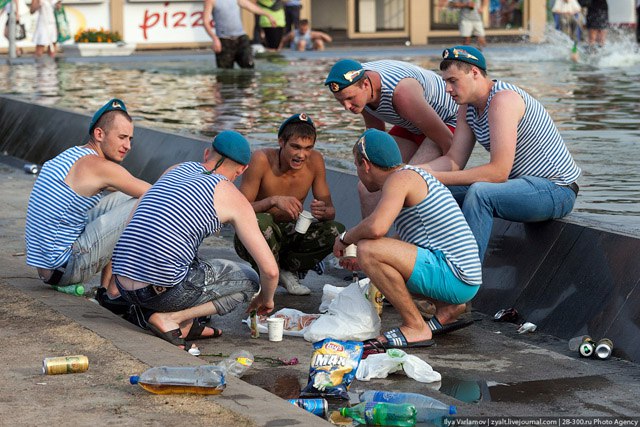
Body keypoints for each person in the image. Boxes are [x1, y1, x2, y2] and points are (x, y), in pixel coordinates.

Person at [109, 131, 279, 350]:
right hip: (160, 293)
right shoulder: (232, 196)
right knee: (250, 279)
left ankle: (187, 324)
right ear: (242, 170)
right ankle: (174, 318)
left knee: (190, 256)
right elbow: (271, 271)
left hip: (123, 284)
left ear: (207, 153)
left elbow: (134, 221)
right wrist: (266, 300)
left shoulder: (176, 169)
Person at [333, 129, 482, 353]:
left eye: (356, 166)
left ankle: (415, 326)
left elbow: (376, 227)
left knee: (367, 248)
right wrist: (364, 262)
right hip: (463, 278)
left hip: (456, 276)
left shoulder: (400, 179)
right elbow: (405, 239)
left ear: (365, 164)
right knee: (371, 255)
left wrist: (345, 238)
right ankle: (448, 309)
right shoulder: (410, 175)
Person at [428, 46, 581, 262]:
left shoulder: (503, 100)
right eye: (445, 81)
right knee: (430, 191)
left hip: (557, 190)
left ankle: (464, 281)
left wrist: (433, 176)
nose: (447, 89)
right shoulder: (467, 108)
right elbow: (453, 161)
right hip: (525, 186)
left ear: (474, 73)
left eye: (453, 81)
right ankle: (425, 266)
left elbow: (498, 173)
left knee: (480, 193)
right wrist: (414, 173)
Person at [25, 99, 151, 290]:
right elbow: (157, 195)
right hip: (64, 267)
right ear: (99, 134)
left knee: (126, 199)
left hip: (48, 266)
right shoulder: (100, 167)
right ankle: (115, 291)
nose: (128, 146)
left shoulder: (73, 154)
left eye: (130, 139)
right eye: (122, 137)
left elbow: (121, 188)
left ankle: (106, 289)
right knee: (144, 203)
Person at [324, 58, 458, 217]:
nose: (347, 107)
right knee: (366, 188)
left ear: (366, 85)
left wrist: (449, 181)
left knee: (407, 181)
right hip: (411, 121)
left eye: (350, 99)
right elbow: (375, 136)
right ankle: (370, 240)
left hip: (446, 121)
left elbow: (450, 145)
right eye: (341, 101)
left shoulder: (402, 94)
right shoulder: (358, 85)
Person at [234, 113, 345, 295]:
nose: (301, 155)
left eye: (308, 148)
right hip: (255, 236)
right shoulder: (261, 159)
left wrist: (322, 211)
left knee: (336, 230)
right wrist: (273, 200)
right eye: (295, 147)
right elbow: (238, 210)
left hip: (292, 233)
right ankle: (267, 273)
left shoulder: (315, 161)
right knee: (262, 222)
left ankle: (288, 270)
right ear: (281, 142)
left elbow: (330, 212)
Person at [203, 0, 277, 69]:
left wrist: (267, 14)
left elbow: (250, 6)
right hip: (224, 40)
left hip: (241, 38)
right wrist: (215, 38)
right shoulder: (211, 1)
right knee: (225, 73)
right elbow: (206, 22)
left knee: (249, 67)